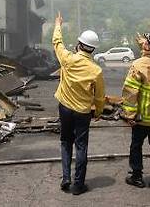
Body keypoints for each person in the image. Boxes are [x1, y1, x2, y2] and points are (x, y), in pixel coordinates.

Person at [52, 12, 105, 195]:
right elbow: (99, 97)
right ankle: (78, 185)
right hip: (83, 112)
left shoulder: (67, 59)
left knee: (66, 142)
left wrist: (58, 24)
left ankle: (65, 178)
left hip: (65, 108)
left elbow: (57, 43)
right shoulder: (96, 71)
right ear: (93, 49)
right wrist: (98, 112)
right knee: (81, 146)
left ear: (80, 45)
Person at [121, 31, 150, 188]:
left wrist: (129, 114)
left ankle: (136, 176)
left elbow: (130, 92)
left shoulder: (138, 65)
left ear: (148, 46)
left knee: (136, 145)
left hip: (141, 118)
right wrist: (145, 42)